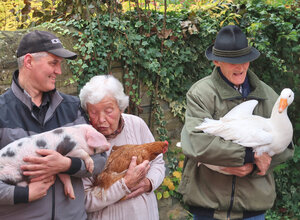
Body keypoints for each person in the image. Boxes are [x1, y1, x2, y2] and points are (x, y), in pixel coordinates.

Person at [178, 25, 294, 220]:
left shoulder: (269, 96)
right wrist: (247, 156)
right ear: (216, 61)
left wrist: (261, 163)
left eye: (244, 60)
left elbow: (286, 145)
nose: (240, 67)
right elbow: (195, 142)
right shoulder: (200, 94)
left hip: (253, 207)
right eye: (232, 62)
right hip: (209, 206)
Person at [0, 30, 107, 219]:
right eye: (53, 63)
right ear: (29, 62)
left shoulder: (72, 107)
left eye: (60, 64)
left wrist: (67, 164)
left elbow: (100, 161)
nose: (59, 71)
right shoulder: (2, 112)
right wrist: (24, 194)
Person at [79, 75, 165, 220]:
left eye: (108, 111)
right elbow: (84, 200)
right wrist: (124, 185)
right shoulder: (83, 142)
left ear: (120, 107)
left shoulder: (137, 125)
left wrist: (148, 183)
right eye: (93, 112)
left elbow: (158, 162)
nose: (101, 119)